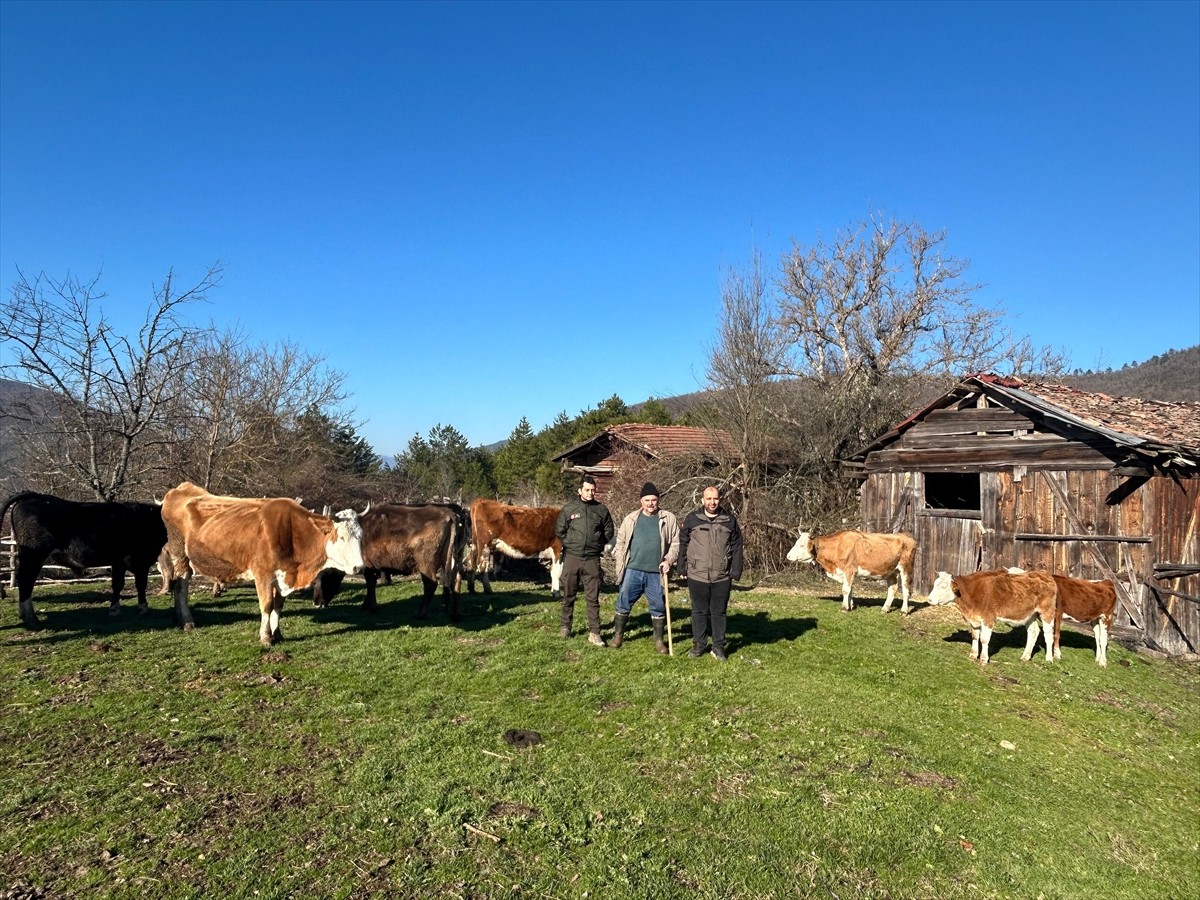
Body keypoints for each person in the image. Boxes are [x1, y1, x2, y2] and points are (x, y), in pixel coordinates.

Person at [610, 482, 680, 653]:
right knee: (624, 601)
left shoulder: (668, 518)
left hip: (656, 572)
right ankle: (618, 635)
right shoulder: (631, 518)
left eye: (654, 500)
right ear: (641, 501)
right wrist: (621, 560)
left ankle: (659, 641)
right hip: (633, 569)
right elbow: (620, 543)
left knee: (658, 605)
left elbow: (676, 543)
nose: (650, 503)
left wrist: (669, 560)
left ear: (658, 500)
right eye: (647, 500)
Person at [677, 485, 743, 661]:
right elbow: (683, 542)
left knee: (719, 611)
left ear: (719, 499)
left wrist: (735, 570)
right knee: (699, 611)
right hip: (697, 573)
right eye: (709, 499)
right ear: (702, 500)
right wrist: (681, 566)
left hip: (722, 575)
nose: (712, 502)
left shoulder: (729, 520)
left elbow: (737, 546)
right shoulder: (693, 519)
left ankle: (718, 646)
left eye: (715, 498)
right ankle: (699, 644)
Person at [555, 474, 615, 646]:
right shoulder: (569, 509)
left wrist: (597, 543)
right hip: (572, 558)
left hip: (592, 559)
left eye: (593, 490)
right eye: (587, 490)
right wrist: (571, 543)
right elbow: (560, 530)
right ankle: (566, 626)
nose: (591, 493)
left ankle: (595, 632)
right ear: (580, 490)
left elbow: (608, 531)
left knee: (593, 597)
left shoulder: (601, 510)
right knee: (568, 594)